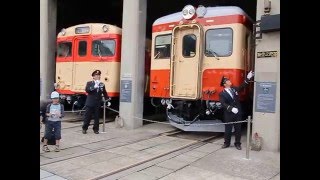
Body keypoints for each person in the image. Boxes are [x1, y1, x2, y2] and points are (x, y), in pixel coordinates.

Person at [219, 71, 254, 150]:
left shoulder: (234, 89)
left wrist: (248, 78)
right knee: (228, 129)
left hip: (237, 113)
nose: (229, 81)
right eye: (227, 81)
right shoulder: (222, 93)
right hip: (229, 114)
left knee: (238, 129)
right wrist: (231, 108)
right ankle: (226, 143)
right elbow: (223, 103)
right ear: (225, 84)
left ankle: (237, 143)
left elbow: (242, 86)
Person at [82, 70, 109, 134]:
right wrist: (94, 87)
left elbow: (104, 93)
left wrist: (107, 99)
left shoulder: (102, 84)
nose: (98, 76)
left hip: (97, 103)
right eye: (96, 75)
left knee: (97, 117)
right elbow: (87, 90)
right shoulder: (89, 83)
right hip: (90, 102)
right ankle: (84, 128)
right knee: (87, 117)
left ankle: (96, 129)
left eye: (99, 75)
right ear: (93, 77)